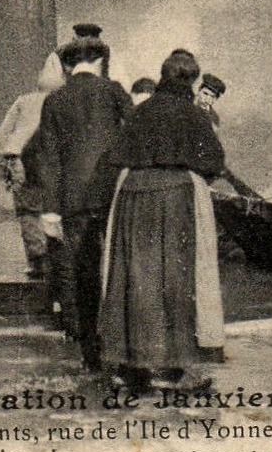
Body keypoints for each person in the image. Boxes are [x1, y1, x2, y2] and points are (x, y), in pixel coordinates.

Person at [95, 49, 227, 392]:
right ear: (192, 80)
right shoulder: (195, 116)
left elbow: (115, 155)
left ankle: (129, 363)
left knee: (133, 278)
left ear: (163, 75)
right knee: (176, 277)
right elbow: (213, 163)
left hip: (133, 197)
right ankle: (172, 365)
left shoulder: (142, 111)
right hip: (175, 198)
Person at [28, 33, 127, 370]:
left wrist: (50, 211)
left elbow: (48, 159)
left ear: (68, 66)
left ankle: (90, 352)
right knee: (118, 268)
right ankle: (120, 344)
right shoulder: (114, 92)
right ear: (98, 62)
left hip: (72, 202)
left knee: (83, 272)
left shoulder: (54, 101)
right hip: (114, 193)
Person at [0, 52, 65, 279]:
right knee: (54, 208)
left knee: (27, 211)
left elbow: (3, 135)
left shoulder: (23, 101)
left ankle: (37, 261)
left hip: (20, 160)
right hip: (54, 162)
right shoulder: (64, 103)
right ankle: (58, 261)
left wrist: (1, 164)